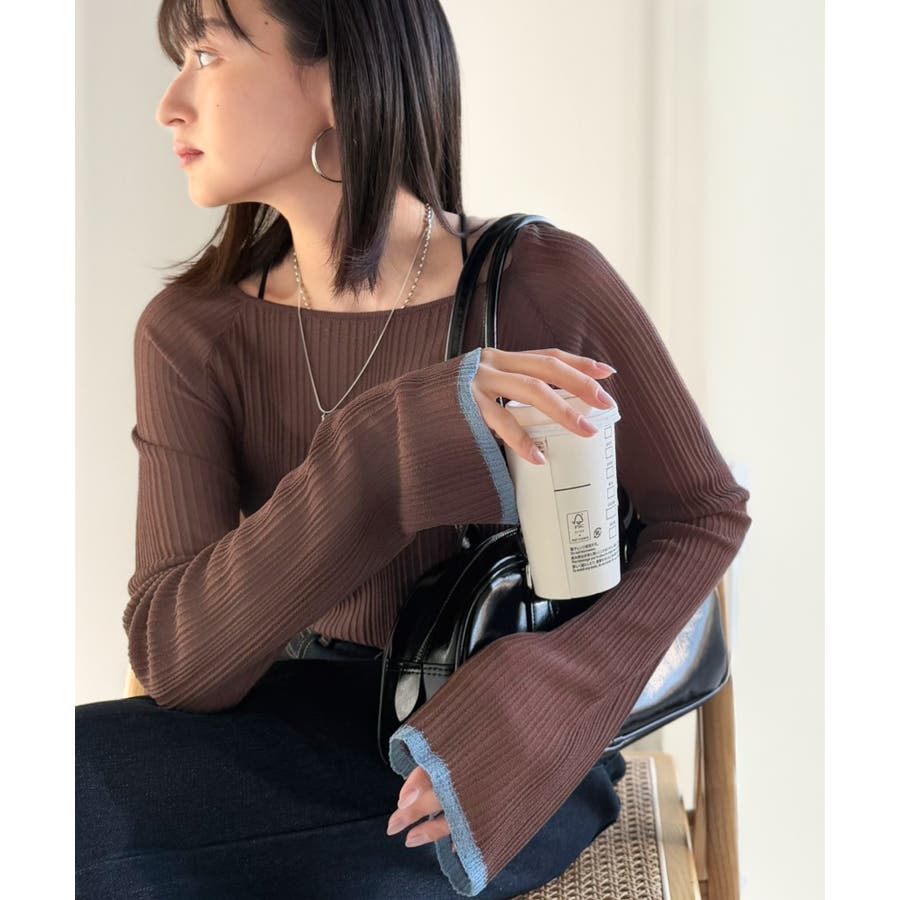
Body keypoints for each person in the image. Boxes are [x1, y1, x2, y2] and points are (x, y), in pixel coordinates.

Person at [75, 0, 753, 897]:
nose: (170, 104)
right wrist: (385, 447)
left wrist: (544, 696)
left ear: (335, 78)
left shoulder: (544, 282)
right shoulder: (191, 334)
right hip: (287, 725)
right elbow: (177, 660)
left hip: (508, 740)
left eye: (206, 55)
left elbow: (703, 516)